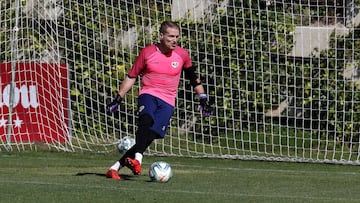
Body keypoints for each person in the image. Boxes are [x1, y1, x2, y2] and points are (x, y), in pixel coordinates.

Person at [105, 20, 213, 180]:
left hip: (168, 101)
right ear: (161, 36)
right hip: (149, 94)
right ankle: (138, 160)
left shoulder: (182, 55)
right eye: (171, 36)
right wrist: (118, 98)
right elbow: (131, 76)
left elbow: (193, 78)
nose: (174, 40)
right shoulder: (147, 52)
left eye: (177, 36)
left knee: (151, 134)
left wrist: (203, 98)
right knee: (145, 121)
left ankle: (115, 168)